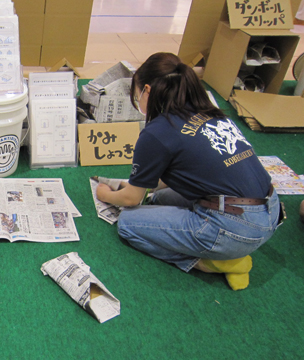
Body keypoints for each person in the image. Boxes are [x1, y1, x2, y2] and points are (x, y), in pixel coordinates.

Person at [96, 52, 281, 291]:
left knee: (128, 223)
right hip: (270, 210)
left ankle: (215, 263)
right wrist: (138, 183)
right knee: (159, 199)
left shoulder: (157, 132)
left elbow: (132, 199)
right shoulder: (212, 112)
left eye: (137, 93)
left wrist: (105, 195)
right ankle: (226, 250)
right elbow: (176, 176)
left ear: (148, 91)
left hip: (234, 228)